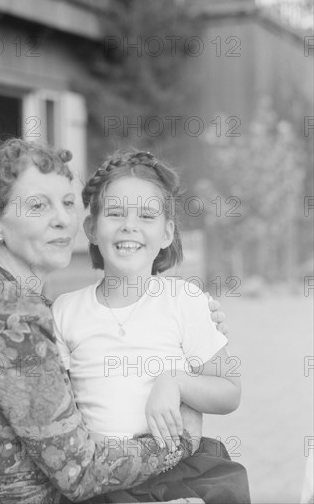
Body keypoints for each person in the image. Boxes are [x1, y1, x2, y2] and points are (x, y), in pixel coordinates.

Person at [0, 139, 187, 504]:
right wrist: (180, 442)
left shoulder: (10, 299)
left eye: (68, 203)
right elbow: (81, 472)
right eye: (38, 205)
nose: (63, 219)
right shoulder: (6, 317)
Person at [52, 149, 250, 503]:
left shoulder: (184, 300)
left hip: (175, 471)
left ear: (166, 233)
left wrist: (175, 380)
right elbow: (58, 405)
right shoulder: (67, 311)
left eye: (146, 215)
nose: (130, 225)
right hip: (101, 476)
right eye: (115, 214)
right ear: (92, 229)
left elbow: (230, 392)